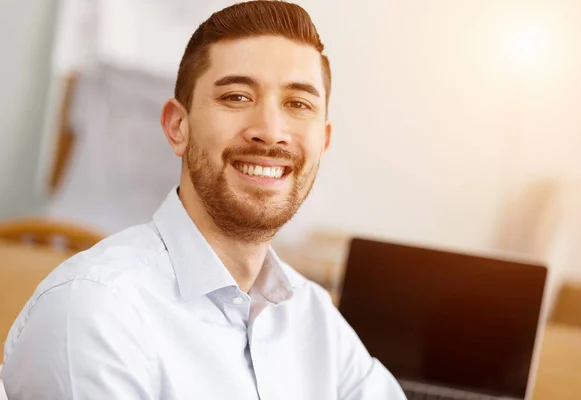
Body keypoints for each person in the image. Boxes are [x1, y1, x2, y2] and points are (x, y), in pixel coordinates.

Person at [2, 2, 406, 399]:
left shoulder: (316, 320)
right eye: (236, 97)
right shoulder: (97, 310)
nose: (270, 131)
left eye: (298, 104)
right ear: (178, 127)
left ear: (324, 141)